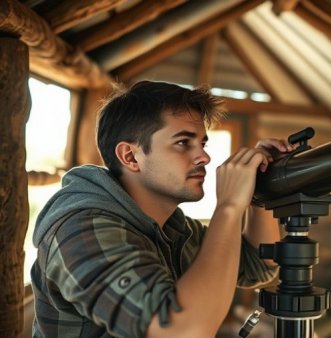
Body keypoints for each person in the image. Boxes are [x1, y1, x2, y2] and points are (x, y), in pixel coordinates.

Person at [30, 81, 292, 338]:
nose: (204, 157)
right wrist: (229, 206)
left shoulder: (174, 228)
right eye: (182, 143)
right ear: (130, 157)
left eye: (202, 144)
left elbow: (260, 265)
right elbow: (182, 332)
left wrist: (261, 192)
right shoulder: (81, 230)